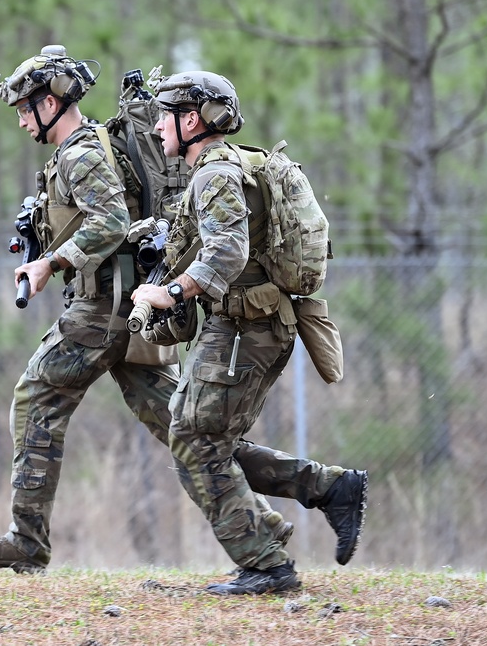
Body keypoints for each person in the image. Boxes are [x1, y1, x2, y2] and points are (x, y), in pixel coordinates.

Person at [0, 47, 366, 578]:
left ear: (53, 103)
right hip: (130, 307)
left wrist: (53, 264)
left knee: (39, 398)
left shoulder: (85, 153)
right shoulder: (88, 152)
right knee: (188, 428)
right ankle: (311, 492)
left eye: (25, 106)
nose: (19, 118)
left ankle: (28, 540)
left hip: (105, 311)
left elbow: (113, 225)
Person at [131, 70, 368, 595]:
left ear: (191, 120)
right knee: (199, 435)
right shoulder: (215, 169)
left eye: (165, 115)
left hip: (250, 326)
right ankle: (331, 489)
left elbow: (228, 250)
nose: (157, 126)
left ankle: (267, 564)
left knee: (195, 441)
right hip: (238, 322)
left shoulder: (215, 173)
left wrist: (170, 294)